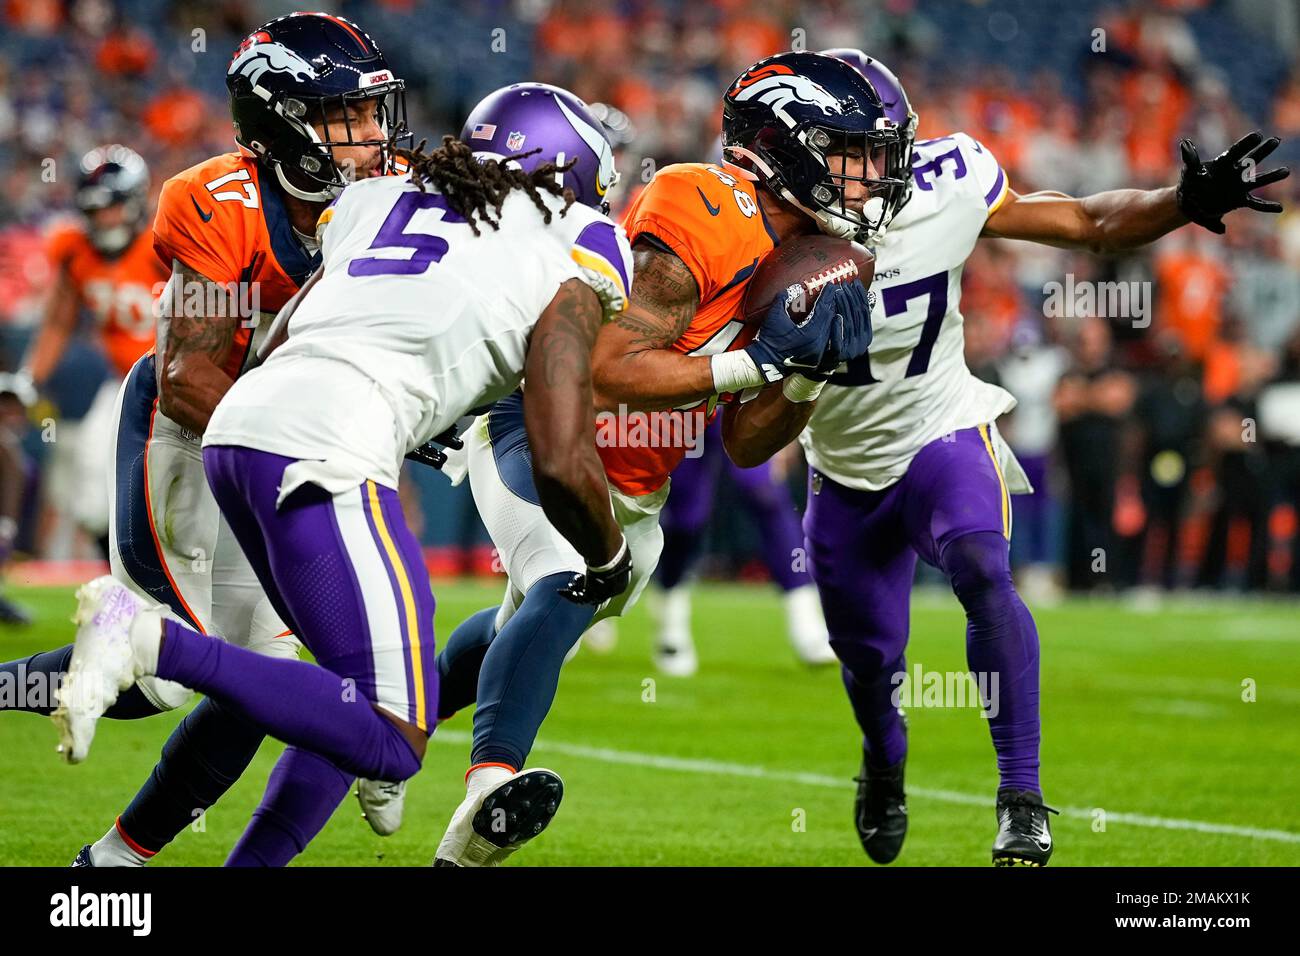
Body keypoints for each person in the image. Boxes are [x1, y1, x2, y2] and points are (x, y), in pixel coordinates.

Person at [720, 47, 1289, 866]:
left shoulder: (943, 182)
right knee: (872, 669)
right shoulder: (746, 236)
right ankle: (884, 762)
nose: (884, 169)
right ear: (788, 151)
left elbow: (1089, 223)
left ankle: (1021, 797)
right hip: (843, 474)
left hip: (943, 429)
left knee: (984, 568)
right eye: (855, 149)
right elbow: (744, 443)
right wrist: (801, 368)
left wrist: (1180, 202)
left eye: (888, 145)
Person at [427, 55, 879, 863]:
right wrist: (756, 363)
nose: (869, 177)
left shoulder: (818, 254)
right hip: (544, 431)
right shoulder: (703, 202)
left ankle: (386, 720)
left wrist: (805, 372)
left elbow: (745, 444)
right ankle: (485, 798)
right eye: (851, 153)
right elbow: (604, 365)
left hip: (638, 484)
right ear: (786, 147)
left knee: (522, 622)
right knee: (569, 575)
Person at [0, 11, 413, 866]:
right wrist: (309, 439)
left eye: (377, 114)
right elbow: (188, 376)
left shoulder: (390, 195)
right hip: (189, 432)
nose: (375, 137)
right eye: (351, 117)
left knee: (260, 681)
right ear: (284, 125)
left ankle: (114, 862)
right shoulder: (218, 203)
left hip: (291, 442)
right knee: (158, 673)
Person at [20, 145, 166, 558]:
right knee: (88, 489)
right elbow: (58, 323)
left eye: (113, 206)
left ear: (135, 200)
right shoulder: (75, 251)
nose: (105, 219)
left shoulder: (164, 242)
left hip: (182, 381)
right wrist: (30, 379)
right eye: (95, 209)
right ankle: (125, 578)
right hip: (127, 382)